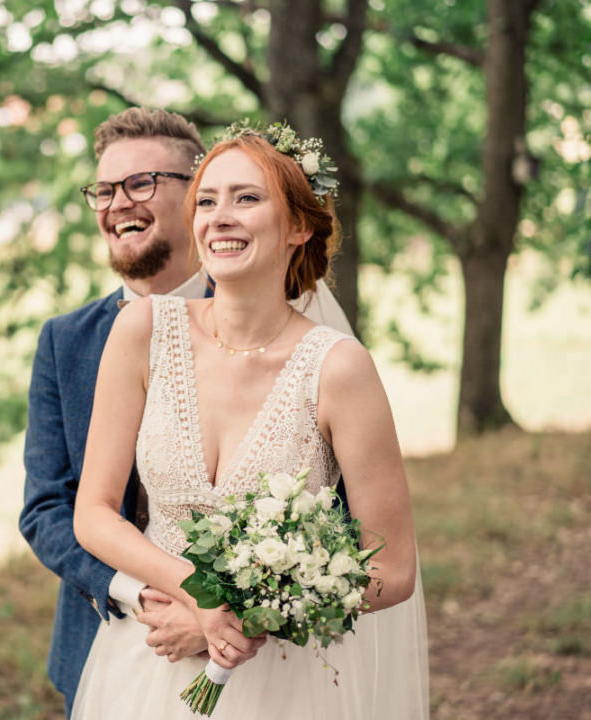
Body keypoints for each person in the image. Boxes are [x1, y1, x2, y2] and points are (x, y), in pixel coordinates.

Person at [70, 123, 429, 718]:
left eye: (247, 198)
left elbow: (392, 568)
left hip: (282, 682)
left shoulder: (339, 370)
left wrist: (251, 610)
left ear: (299, 225)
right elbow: (94, 513)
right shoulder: (142, 333)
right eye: (207, 201)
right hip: (146, 664)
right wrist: (197, 596)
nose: (220, 217)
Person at [19, 108, 356, 717]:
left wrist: (239, 613)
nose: (118, 203)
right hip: (113, 646)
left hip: (265, 664)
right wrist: (148, 597)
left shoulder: (297, 337)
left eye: (141, 183)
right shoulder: (64, 341)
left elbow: (346, 521)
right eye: (104, 189)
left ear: (193, 193)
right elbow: (48, 508)